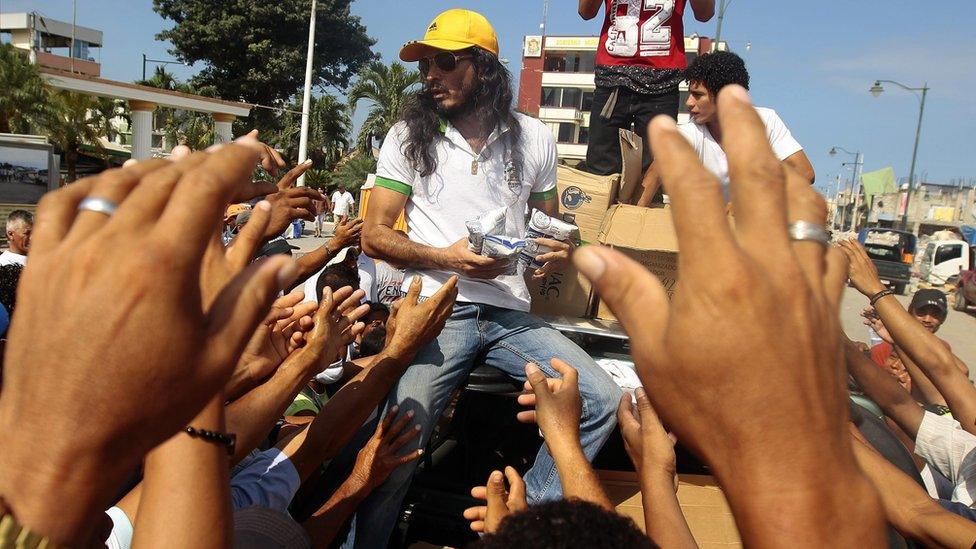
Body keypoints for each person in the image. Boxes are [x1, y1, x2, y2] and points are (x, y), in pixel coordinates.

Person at [335, 9, 622, 547]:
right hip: (439, 309)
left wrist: (559, 250)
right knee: (398, 451)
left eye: (446, 62)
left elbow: (552, 228)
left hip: (511, 315)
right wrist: (449, 258)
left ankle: (518, 526)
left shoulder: (535, 139)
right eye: (426, 64)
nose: (430, 75)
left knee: (602, 399)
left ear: (485, 68)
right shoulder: (407, 136)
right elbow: (373, 236)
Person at [637, 51, 814, 205]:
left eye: (698, 95)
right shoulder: (689, 133)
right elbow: (655, 173)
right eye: (690, 93)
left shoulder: (766, 121)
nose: (689, 103)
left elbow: (804, 172)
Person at [579, 0, 715, 177]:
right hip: (614, 76)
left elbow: (704, 14)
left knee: (653, 173)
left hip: (662, 81)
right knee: (600, 171)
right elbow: (586, 12)